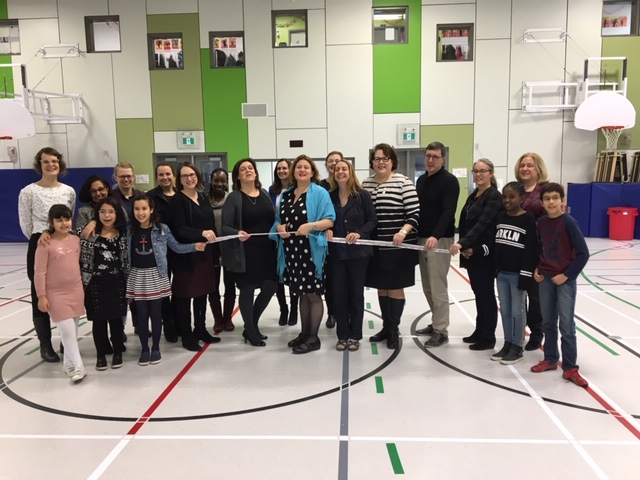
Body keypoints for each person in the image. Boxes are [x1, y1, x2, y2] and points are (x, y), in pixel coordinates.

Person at [126, 195, 205, 365]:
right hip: (137, 276)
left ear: (151, 209)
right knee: (141, 315)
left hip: (156, 275)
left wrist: (194, 246)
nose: (141, 212)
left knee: (156, 313)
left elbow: (175, 247)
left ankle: (155, 348)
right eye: (137, 209)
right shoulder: (128, 230)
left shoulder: (162, 229)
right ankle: (144, 349)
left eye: (144, 208)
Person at [270, 155, 335, 354]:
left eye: (306, 167)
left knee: (313, 295)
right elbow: (278, 221)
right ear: (293, 171)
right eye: (299, 167)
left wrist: (311, 226)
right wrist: (279, 227)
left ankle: (314, 338)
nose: (302, 170)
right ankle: (305, 333)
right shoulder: (287, 195)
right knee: (301, 294)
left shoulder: (320, 193)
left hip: (311, 253)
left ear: (312, 171)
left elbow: (330, 220)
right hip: (292, 253)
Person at [18, 147, 76, 363]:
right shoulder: (28, 191)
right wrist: (41, 236)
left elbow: (68, 216)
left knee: (65, 290)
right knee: (39, 293)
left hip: (63, 242)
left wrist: (57, 233)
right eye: (46, 162)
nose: (51, 165)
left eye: (54, 161)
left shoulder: (69, 191)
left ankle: (66, 340)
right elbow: (26, 224)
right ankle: (45, 344)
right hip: (40, 243)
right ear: (39, 165)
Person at [531, 183, 590, 387]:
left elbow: (583, 254)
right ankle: (550, 359)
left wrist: (566, 275)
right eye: (547, 198)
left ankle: (570, 367)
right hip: (545, 279)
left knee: (566, 324)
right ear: (542, 202)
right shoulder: (540, 223)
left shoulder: (569, 222)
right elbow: (539, 249)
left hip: (564, 280)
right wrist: (537, 268)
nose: (551, 202)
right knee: (548, 321)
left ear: (562, 200)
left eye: (555, 197)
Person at [363, 143, 420, 350]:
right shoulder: (365, 184)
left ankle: (394, 329)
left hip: (398, 248)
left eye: (385, 159)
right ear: (372, 162)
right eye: (377, 159)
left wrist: (403, 232)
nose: (380, 163)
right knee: (381, 287)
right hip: (375, 247)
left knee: (395, 287)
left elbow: (414, 214)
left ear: (392, 161)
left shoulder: (403, 182)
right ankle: (386, 327)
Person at [222, 159, 277, 346]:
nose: (248, 171)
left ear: (255, 172)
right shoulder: (233, 197)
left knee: (270, 287)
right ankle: (252, 331)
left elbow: (272, 219)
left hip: (266, 250)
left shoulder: (264, 194)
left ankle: (250, 325)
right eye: (243, 169)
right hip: (244, 251)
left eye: (250, 168)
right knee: (246, 290)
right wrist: (237, 233)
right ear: (237, 176)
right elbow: (225, 226)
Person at [450, 159, 503, 350]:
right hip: (470, 253)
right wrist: (464, 246)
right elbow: (465, 222)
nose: (479, 174)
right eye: (476, 171)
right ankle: (480, 330)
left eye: (483, 171)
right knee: (478, 293)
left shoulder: (494, 197)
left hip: (484, 253)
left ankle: (488, 336)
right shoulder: (474, 196)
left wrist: (462, 243)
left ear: (491, 173)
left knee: (486, 294)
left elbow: (483, 224)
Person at [168, 162, 220, 351]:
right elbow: (179, 229)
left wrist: (215, 248)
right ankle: (187, 335)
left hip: (205, 254)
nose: (189, 178)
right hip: (186, 255)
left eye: (192, 175)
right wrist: (201, 233)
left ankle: (200, 329)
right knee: (184, 297)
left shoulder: (204, 198)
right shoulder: (177, 201)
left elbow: (211, 226)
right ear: (179, 180)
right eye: (184, 176)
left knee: (202, 295)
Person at [326, 159, 377, 352]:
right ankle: (342, 335)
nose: (340, 172)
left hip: (358, 254)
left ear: (350, 171)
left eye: (344, 169)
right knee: (339, 296)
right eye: (337, 169)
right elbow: (325, 219)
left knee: (356, 295)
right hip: (336, 255)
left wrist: (360, 233)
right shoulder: (329, 197)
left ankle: (355, 335)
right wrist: (327, 230)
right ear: (333, 173)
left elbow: (372, 220)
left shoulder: (362, 195)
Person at [414, 142, 460, 348]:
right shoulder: (421, 180)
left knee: (438, 286)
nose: (430, 160)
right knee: (427, 286)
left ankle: (442, 330)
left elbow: (448, 211)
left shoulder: (450, 181)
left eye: (435, 156)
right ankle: (435, 323)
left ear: (442, 159)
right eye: (428, 156)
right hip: (421, 240)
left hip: (439, 240)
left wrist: (436, 235)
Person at [34, 205, 86, 383]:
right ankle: (79, 366)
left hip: (76, 290)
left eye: (67, 219)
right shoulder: (45, 243)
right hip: (55, 294)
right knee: (67, 331)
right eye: (59, 220)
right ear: (52, 222)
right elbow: (39, 272)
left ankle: (67, 364)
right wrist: (41, 295)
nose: (64, 223)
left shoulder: (76, 239)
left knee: (73, 330)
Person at [491, 182, 538, 365]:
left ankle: (518, 346)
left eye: (512, 197)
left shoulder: (528, 218)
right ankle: (508, 342)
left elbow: (531, 249)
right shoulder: (501, 216)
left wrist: (526, 274)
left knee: (518, 310)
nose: (507, 200)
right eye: (505, 197)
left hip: (519, 274)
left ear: (522, 198)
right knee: (505, 310)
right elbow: (497, 245)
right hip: (502, 274)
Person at [80, 197, 128, 370]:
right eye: (102, 212)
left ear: (117, 214)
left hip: (116, 283)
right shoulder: (88, 233)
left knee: (116, 321)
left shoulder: (123, 234)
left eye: (111, 211)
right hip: (94, 283)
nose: (107, 215)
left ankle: (117, 353)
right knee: (98, 322)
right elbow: (62, 233)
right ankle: (101, 355)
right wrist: (47, 233)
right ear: (96, 214)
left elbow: (126, 262)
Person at [514, 152, 549, 351]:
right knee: (517, 294)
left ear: (538, 169)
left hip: (536, 252)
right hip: (516, 252)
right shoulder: (515, 189)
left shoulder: (545, 191)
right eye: (522, 165)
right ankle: (518, 332)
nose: (525, 168)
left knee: (535, 297)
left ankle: (537, 333)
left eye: (530, 165)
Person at [147, 162, 179, 342]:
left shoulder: (181, 196)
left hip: (179, 248)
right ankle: (168, 324)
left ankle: (180, 321)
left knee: (180, 288)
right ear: (157, 177)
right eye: (161, 174)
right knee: (164, 289)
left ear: (173, 176)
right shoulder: (150, 197)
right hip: (160, 251)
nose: (165, 177)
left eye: (168, 174)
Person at [268, 159, 298, 326]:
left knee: (292, 275)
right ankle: (283, 309)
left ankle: (294, 309)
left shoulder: (296, 189)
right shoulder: (271, 191)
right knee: (278, 276)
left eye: (285, 168)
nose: (281, 171)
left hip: (293, 238)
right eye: (279, 168)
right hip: (276, 238)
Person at [208, 168, 236, 333]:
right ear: (211, 181)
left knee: (230, 285)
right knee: (213, 286)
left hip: (230, 250)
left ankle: (228, 318)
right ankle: (218, 319)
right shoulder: (204, 200)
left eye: (222, 180)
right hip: (211, 251)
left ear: (227, 183)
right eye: (216, 180)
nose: (219, 183)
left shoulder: (232, 199)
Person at [320, 151, 343, 329]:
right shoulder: (320, 186)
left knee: (342, 279)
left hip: (343, 239)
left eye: (337, 161)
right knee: (328, 280)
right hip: (325, 239)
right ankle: (332, 313)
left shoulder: (345, 185)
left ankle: (345, 311)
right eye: (330, 161)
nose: (334, 164)